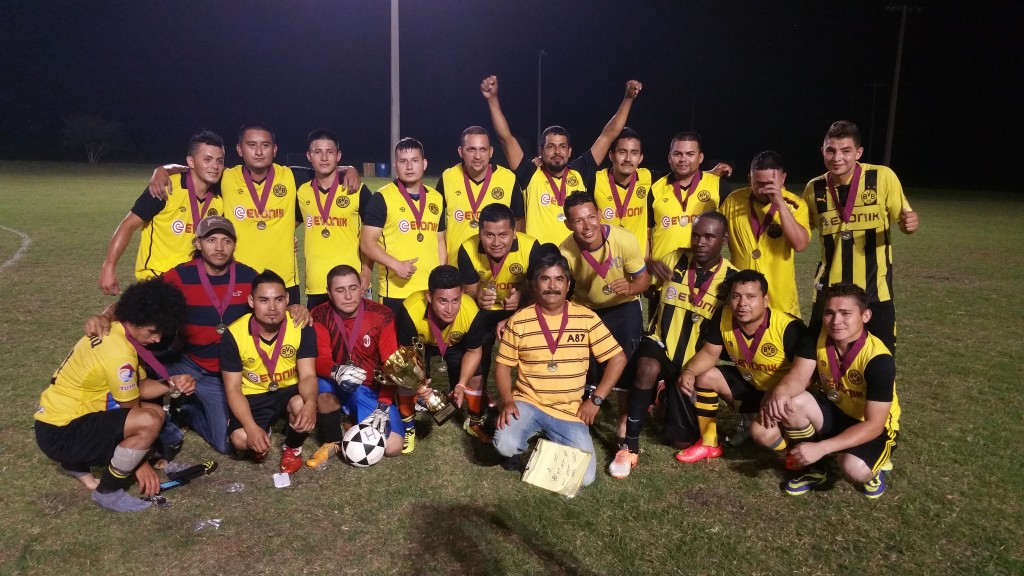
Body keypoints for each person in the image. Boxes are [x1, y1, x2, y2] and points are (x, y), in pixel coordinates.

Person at [86, 216, 310, 455]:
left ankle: (188, 410)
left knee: (227, 443)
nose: (219, 247)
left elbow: (270, 304)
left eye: (226, 241)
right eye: (211, 240)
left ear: (235, 245)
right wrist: (105, 316)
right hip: (189, 362)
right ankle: (153, 422)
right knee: (148, 356)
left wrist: (295, 308)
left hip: (225, 374)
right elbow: (138, 302)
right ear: (198, 243)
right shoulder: (180, 276)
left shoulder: (247, 276)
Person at [149, 124, 362, 304]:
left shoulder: (291, 176)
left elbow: (325, 167)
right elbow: (195, 168)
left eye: (265, 145)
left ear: (275, 149)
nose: (259, 152)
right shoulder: (226, 178)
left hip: (284, 281)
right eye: (252, 145)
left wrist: (349, 168)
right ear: (240, 150)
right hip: (239, 279)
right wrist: (163, 169)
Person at [36, 279, 191, 512]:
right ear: (134, 319)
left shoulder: (119, 333)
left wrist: (169, 384)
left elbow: (139, 386)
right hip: (61, 432)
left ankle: (75, 462)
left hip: (56, 422)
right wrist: (140, 464)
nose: (158, 339)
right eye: (153, 331)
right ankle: (107, 492)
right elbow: (132, 413)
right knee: (150, 418)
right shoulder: (119, 355)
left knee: (153, 413)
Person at [612, 212, 737, 477]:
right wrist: (649, 265)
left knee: (681, 441)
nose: (700, 242)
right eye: (696, 235)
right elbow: (645, 283)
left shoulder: (731, 280)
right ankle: (630, 445)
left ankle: (663, 397)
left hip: (694, 362)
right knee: (645, 366)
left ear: (724, 240)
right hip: (660, 346)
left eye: (709, 236)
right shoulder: (675, 259)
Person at [493, 252, 626, 487]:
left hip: (570, 411)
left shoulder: (586, 318)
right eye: (545, 279)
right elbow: (503, 365)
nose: (552, 286)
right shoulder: (520, 320)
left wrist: (595, 401)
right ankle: (524, 445)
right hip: (529, 402)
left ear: (568, 285)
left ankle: (545, 444)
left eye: (559, 279)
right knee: (505, 444)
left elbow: (618, 358)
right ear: (535, 285)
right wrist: (507, 401)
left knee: (584, 478)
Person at [762, 283, 899, 499]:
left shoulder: (879, 360)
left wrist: (822, 448)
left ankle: (873, 468)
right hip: (835, 410)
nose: (835, 321)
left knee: (854, 468)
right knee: (792, 401)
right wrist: (781, 392)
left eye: (846, 313)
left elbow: (874, 425)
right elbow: (799, 376)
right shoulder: (818, 331)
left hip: (871, 424)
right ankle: (816, 470)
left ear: (865, 316)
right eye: (829, 313)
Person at [481, 75, 642, 246]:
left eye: (562, 146)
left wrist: (628, 98)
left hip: (575, 260)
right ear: (541, 152)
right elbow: (506, 138)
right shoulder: (530, 174)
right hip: (539, 261)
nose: (557, 151)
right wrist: (492, 99)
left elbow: (608, 135)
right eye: (550, 147)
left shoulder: (581, 171)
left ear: (570, 151)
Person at [804, 121, 919, 355]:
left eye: (846, 151)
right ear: (823, 150)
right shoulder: (813, 189)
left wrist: (910, 224)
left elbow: (904, 220)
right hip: (829, 292)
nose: (837, 157)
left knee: (881, 359)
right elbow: (802, 235)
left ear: (858, 152)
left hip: (875, 290)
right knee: (820, 360)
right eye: (831, 150)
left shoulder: (882, 177)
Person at [673, 270, 804, 464]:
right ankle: (710, 442)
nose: (742, 304)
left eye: (751, 297)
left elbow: (805, 375)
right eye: (736, 296)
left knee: (762, 434)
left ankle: (794, 448)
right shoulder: (725, 315)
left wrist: (779, 393)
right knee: (705, 376)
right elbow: (710, 353)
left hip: (784, 396)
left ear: (765, 300)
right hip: (752, 386)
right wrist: (689, 371)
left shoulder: (789, 327)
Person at [558, 192, 650, 443]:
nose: (587, 226)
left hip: (623, 307)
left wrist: (631, 288)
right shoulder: (566, 251)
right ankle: (579, 414)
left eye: (591, 217)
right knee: (582, 363)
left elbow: (644, 279)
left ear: (599, 215)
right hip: (587, 310)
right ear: (568, 224)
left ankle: (622, 422)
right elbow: (561, 289)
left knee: (627, 363)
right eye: (578, 221)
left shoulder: (624, 239)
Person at [99, 131, 225, 295]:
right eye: (207, 160)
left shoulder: (220, 196)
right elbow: (128, 225)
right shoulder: (164, 188)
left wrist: (163, 168)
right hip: (157, 279)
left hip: (194, 283)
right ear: (191, 161)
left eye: (220, 161)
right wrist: (108, 267)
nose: (215, 166)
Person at [305, 265, 404, 468]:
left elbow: (391, 366)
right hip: (336, 383)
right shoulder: (320, 314)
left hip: (370, 389)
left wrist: (384, 404)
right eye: (340, 290)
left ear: (362, 288)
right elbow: (321, 357)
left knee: (393, 447)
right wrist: (335, 370)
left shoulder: (382, 315)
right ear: (329, 292)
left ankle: (353, 420)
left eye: (353, 288)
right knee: (322, 392)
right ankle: (331, 441)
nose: (348, 296)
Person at [221, 270, 318, 474]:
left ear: (287, 300)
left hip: (289, 390)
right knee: (240, 440)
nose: (272, 308)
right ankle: (264, 428)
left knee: (301, 405)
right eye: (264, 300)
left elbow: (308, 375)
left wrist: (311, 404)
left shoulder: (301, 326)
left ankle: (292, 446)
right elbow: (233, 389)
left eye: (278, 299)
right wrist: (250, 427)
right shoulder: (234, 334)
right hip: (254, 394)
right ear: (251, 301)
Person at [456, 203, 556, 399]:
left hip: (519, 310)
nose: (496, 242)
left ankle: (530, 399)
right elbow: (468, 292)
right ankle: (479, 402)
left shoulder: (531, 247)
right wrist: (479, 298)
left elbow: (540, 292)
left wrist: (521, 299)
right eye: (489, 235)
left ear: (514, 233)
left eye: (503, 235)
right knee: (478, 353)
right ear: (480, 232)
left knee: (530, 355)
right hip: (483, 311)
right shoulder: (467, 248)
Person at [395, 265, 487, 450]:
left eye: (456, 300)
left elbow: (474, 352)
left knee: (476, 377)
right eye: (443, 301)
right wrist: (419, 384)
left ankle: (475, 423)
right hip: (422, 346)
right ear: (429, 297)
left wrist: (461, 384)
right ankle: (408, 429)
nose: (450, 309)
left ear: (462, 294)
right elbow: (407, 356)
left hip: (454, 344)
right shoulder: (410, 310)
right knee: (405, 381)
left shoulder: (471, 311)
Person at [360, 137, 447, 318]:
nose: (409, 167)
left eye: (414, 161)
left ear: (424, 164)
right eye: (403, 161)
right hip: (395, 292)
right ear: (395, 165)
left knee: (428, 344)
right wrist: (396, 265)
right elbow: (367, 243)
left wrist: (440, 281)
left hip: (429, 291)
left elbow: (439, 241)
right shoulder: (381, 198)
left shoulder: (437, 198)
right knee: (396, 346)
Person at [719, 151, 810, 319]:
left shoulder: (795, 205)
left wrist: (780, 203)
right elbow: (718, 237)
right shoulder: (733, 200)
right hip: (742, 300)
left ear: (783, 179)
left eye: (770, 184)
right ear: (749, 180)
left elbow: (800, 244)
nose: (763, 190)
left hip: (780, 300)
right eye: (758, 184)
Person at [297, 129, 373, 309]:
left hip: (352, 283)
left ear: (338, 155)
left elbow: (372, 237)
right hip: (317, 284)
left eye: (329, 152)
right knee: (320, 337)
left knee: (359, 336)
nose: (324, 158)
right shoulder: (302, 191)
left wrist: (367, 271)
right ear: (309, 156)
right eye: (317, 152)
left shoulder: (358, 190)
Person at [436, 125, 525, 263]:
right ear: (461, 151)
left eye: (483, 149)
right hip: (456, 265)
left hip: (497, 267)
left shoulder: (508, 178)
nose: (477, 156)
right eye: (471, 149)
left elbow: (519, 222)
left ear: (491, 152)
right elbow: (436, 223)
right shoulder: (448, 177)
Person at [647, 132, 733, 273]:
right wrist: (648, 261)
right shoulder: (655, 186)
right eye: (677, 154)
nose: (683, 159)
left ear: (700, 158)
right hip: (663, 272)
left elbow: (733, 227)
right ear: (669, 157)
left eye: (690, 154)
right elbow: (647, 230)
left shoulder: (718, 186)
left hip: (702, 273)